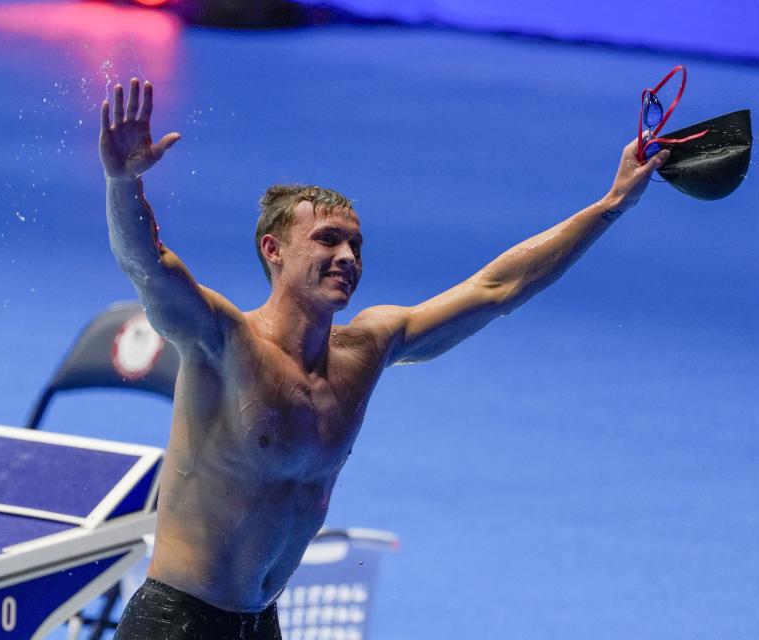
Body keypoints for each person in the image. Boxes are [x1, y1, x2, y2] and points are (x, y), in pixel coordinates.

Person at [100, 78, 669, 639]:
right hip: (176, 624)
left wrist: (613, 204)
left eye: (355, 244)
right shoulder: (222, 342)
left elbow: (498, 289)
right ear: (273, 251)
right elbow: (147, 265)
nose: (347, 256)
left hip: (261, 623)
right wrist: (123, 183)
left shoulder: (367, 348)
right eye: (326, 240)